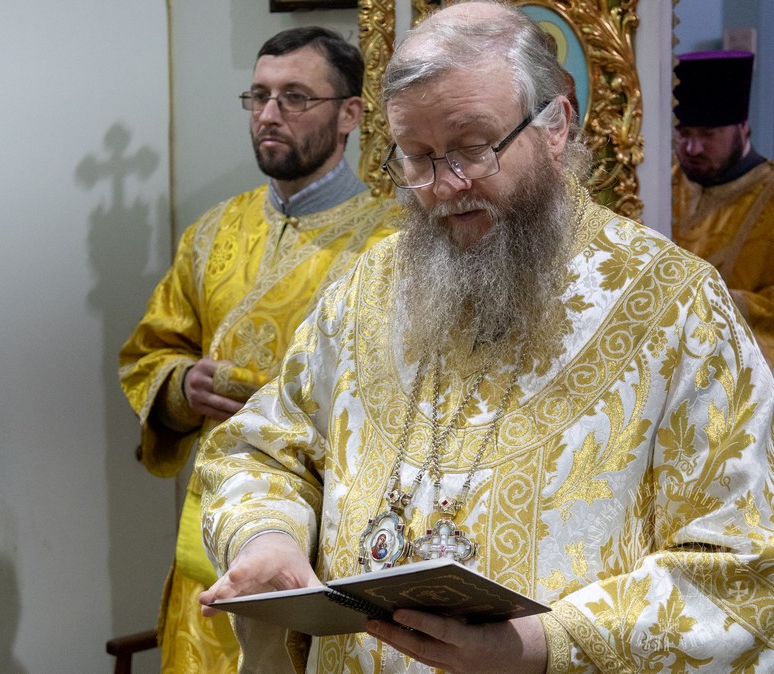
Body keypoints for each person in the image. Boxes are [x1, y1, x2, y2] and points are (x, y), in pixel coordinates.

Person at [197, 3, 774, 673]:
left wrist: (545, 646)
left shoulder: (677, 307)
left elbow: (743, 569)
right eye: (417, 157)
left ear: (555, 126)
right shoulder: (366, 290)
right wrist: (266, 537)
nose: (445, 186)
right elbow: (263, 450)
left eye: (473, 148)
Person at [119, 26, 399, 672]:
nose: (269, 114)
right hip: (210, 532)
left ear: (350, 114)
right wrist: (181, 386)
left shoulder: (391, 242)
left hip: (325, 547)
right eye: (259, 96)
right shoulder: (212, 232)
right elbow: (151, 351)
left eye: (294, 97)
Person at [672, 50, 774, 369]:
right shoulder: (661, 183)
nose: (692, 148)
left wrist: (713, 302)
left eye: (708, 134)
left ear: (742, 127)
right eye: (684, 133)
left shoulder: (770, 195)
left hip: (739, 366)